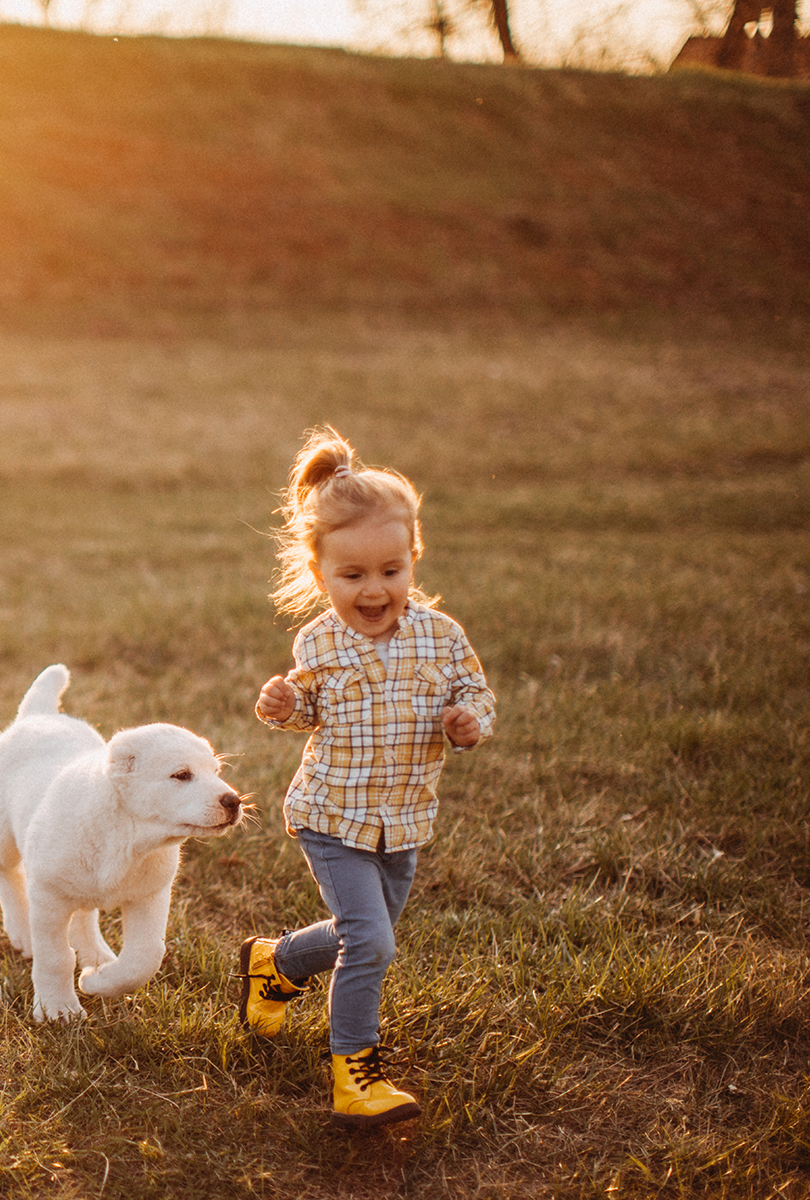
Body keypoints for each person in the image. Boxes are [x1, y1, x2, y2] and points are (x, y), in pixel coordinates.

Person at [245, 426, 495, 1128]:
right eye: (352, 576)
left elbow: (475, 694)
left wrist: (468, 721)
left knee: (366, 931)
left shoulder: (441, 636)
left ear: (413, 558)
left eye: (390, 569)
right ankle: (355, 1072)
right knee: (374, 943)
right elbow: (311, 706)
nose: (374, 589)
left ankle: (276, 964)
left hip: (403, 819)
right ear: (322, 575)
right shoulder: (319, 641)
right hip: (333, 816)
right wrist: (288, 704)